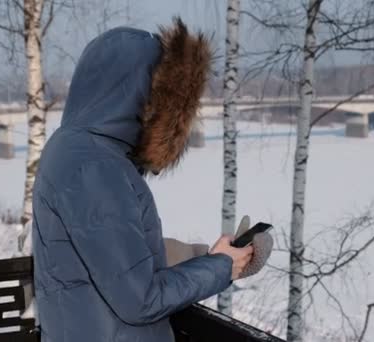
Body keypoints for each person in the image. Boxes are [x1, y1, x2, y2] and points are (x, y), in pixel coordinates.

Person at [31, 18, 272, 342]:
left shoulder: (77, 151)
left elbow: (115, 259)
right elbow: (140, 300)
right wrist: (220, 268)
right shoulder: (94, 166)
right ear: (140, 94)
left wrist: (213, 256)